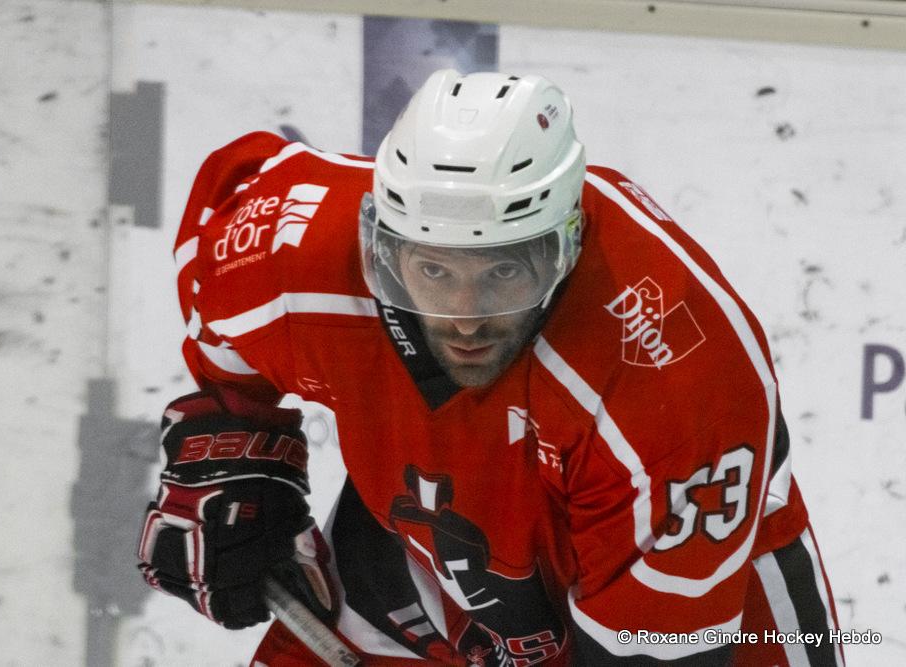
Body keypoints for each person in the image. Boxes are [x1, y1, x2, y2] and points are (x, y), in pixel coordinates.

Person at [137, 70, 843, 666]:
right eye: (434, 270)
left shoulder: (675, 383)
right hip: (409, 576)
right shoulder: (299, 255)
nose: (464, 317)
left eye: (503, 271)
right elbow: (216, 267)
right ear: (384, 243)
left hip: (698, 612)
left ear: (565, 245)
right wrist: (238, 450)